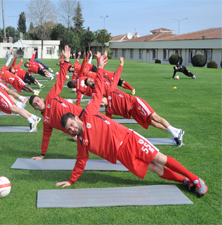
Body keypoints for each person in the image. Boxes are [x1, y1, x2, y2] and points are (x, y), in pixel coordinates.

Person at [57, 55, 207, 197]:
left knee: (160, 159)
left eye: (72, 125)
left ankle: (195, 178)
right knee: (154, 168)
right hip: (122, 156)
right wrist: (71, 180)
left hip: (129, 140)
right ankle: (185, 181)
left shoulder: (89, 112)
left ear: (76, 118)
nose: (72, 130)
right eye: (69, 130)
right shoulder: (82, 142)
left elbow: (97, 92)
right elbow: (80, 161)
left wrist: (100, 68)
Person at [100, 57, 184, 146]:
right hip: (133, 113)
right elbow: (108, 124)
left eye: (101, 102)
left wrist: (121, 64)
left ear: (103, 96)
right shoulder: (108, 110)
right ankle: (177, 132)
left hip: (136, 103)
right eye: (101, 105)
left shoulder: (110, 90)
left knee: (155, 117)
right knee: (153, 124)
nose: (102, 104)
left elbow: (116, 77)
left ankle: (176, 133)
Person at [28, 45, 83, 160]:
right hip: (77, 131)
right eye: (35, 105)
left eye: (38, 100)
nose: (38, 103)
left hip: (83, 115)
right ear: (35, 109)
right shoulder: (46, 121)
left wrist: (66, 61)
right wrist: (42, 155)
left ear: (41, 99)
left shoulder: (50, 97)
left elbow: (60, 81)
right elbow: (46, 137)